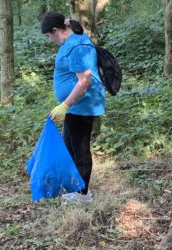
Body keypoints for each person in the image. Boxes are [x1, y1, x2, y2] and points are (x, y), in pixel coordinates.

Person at [40, 11, 105, 202]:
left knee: (80, 148)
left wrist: (66, 104)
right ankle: (71, 186)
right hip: (74, 107)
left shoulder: (77, 45)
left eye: (48, 36)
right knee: (69, 145)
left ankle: (83, 194)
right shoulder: (72, 42)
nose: (49, 39)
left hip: (81, 106)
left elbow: (85, 80)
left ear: (54, 30)